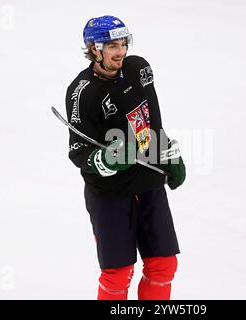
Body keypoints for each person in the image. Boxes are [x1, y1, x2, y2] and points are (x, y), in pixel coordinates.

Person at [65, 15, 186, 300]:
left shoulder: (138, 68)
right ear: (94, 49)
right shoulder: (82, 92)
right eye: (112, 46)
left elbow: (151, 118)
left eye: (123, 44)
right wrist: (105, 160)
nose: (120, 52)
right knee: (118, 275)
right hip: (110, 192)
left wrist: (166, 153)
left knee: (164, 266)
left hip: (147, 180)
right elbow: (78, 152)